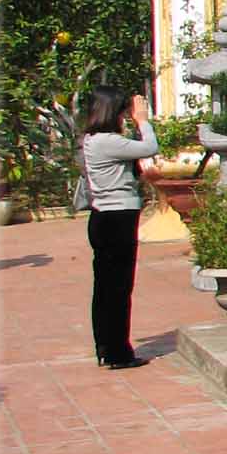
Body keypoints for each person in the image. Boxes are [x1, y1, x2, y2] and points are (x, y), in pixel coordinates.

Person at [80, 88, 157, 369]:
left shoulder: (92, 140)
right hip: (118, 218)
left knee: (104, 288)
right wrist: (143, 120)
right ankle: (117, 352)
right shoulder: (107, 141)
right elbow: (150, 147)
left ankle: (106, 346)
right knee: (119, 287)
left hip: (103, 218)